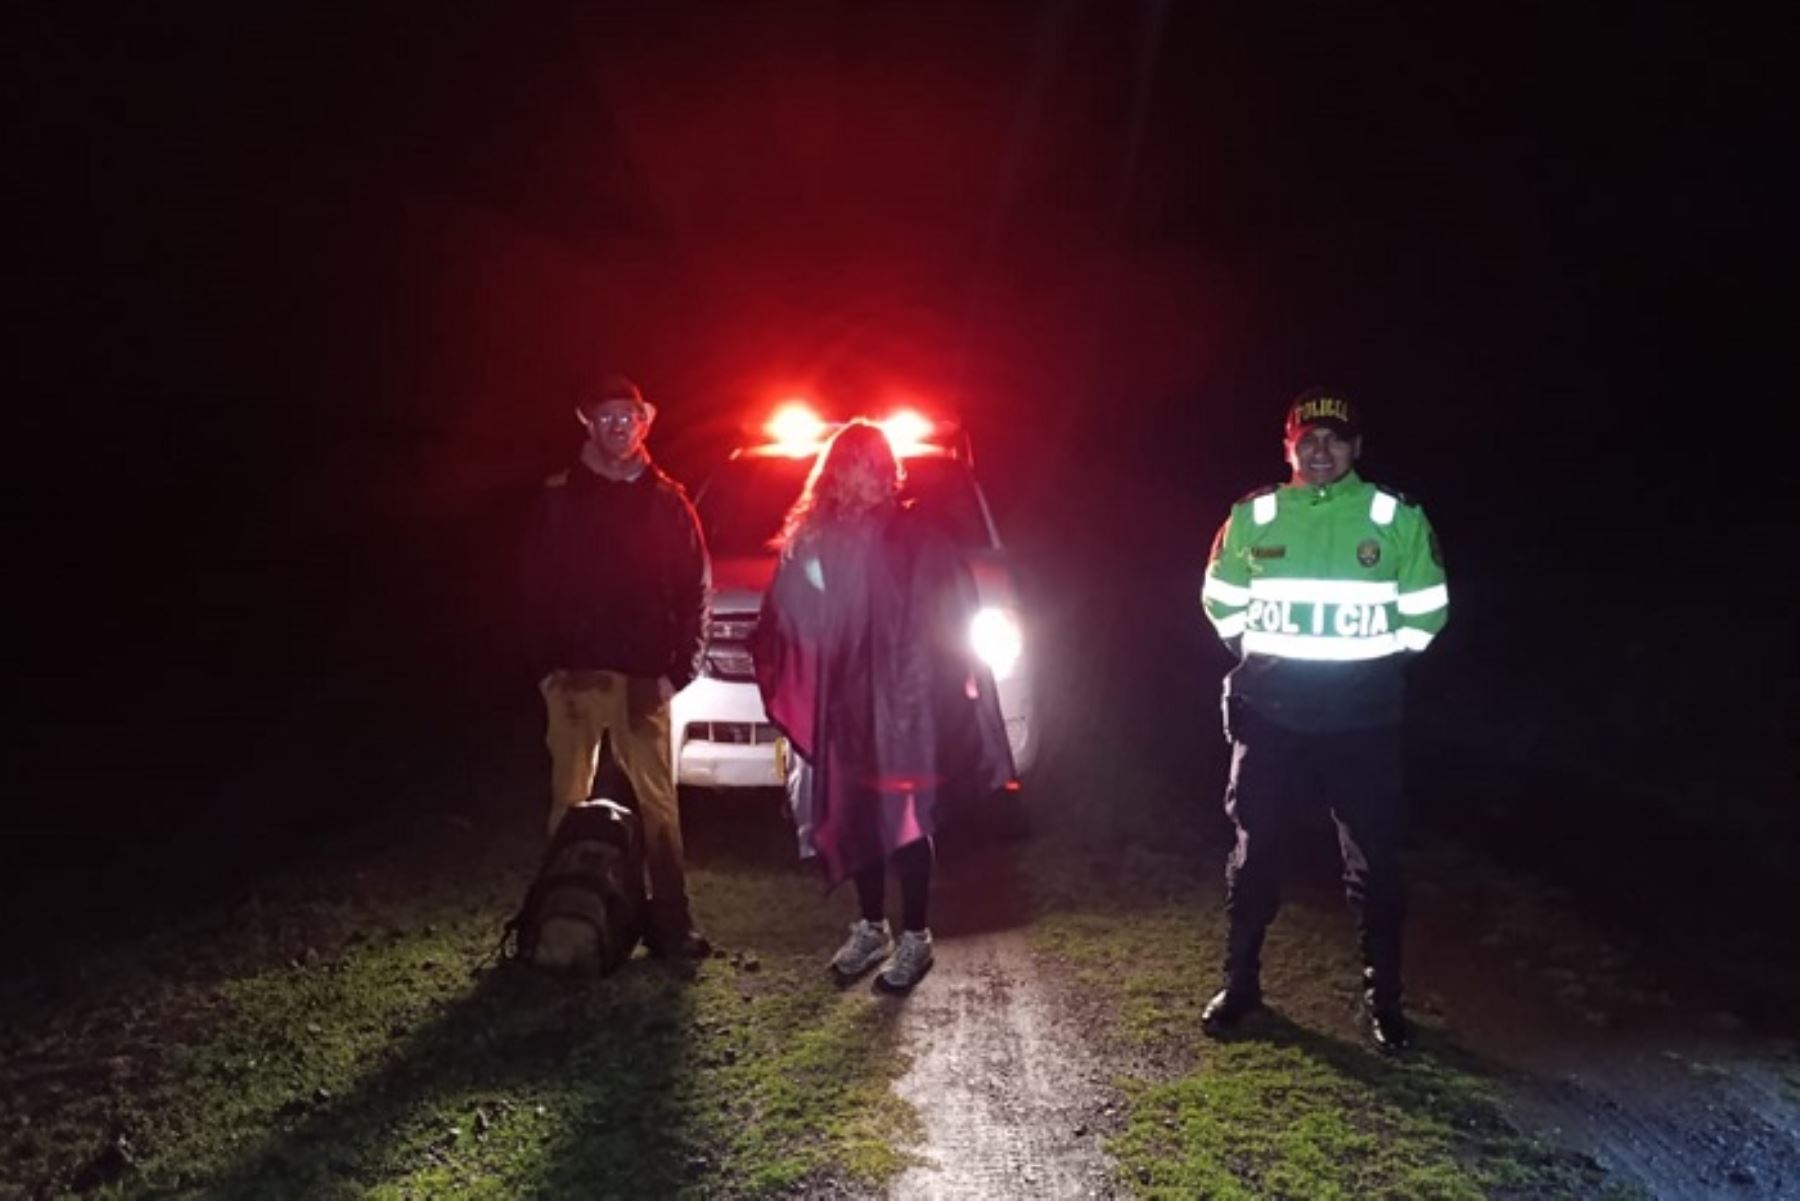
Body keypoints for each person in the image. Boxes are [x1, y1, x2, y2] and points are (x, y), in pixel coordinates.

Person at [1198, 387, 1449, 1051]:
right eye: (1307, 437)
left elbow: (1427, 612)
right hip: (1272, 716)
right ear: (1289, 446)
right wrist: (1268, 665)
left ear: (1356, 447)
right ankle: (1241, 983)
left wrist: (1369, 668)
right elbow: (1222, 601)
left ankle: (1384, 999)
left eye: (1335, 438)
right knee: (1256, 855)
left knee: (1378, 864)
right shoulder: (1254, 515)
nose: (1320, 448)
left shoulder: (1394, 515)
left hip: (1360, 720)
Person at [752, 420, 1013, 992]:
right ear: (834, 476)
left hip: (904, 707)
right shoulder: (816, 539)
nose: (866, 478)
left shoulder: (918, 535)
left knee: (906, 820)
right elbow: (796, 610)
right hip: (846, 708)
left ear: (890, 473)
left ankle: (916, 935)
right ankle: (871, 926)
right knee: (855, 816)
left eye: (876, 467)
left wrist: (936, 683)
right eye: (854, 467)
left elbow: (950, 608)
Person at [522, 373, 712, 959]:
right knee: (567, 803)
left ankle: (672, 923)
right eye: (605, 416)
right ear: (587, 423)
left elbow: (695, 588)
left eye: (627, 415)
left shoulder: (667, 500)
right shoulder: (556, 495)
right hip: (574, 677)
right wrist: (543, 666)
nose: (617, 426)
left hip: (641, 680)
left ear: (644, 421)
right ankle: (559, 919)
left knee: (658, 806)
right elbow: (530, 586)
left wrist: (678, 671)